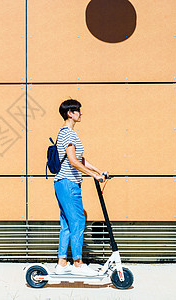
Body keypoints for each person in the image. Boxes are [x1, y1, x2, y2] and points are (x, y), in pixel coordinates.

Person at [54, 99, 109, 276]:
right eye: (78, 110)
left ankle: (62, 263)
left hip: (63, 183)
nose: (81, 113)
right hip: (69, 183)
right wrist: (94, 176)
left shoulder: (66, 133)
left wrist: (99, 171)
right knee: (78, 221)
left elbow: (81, 160)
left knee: (67, 224)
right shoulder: (68, 134)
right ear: (70, 113)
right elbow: (73, 161)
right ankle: (78, 264)